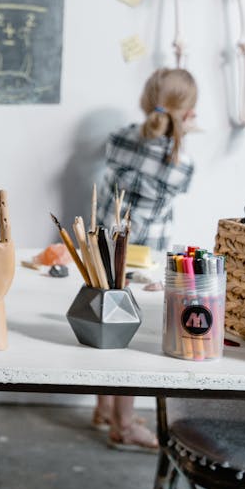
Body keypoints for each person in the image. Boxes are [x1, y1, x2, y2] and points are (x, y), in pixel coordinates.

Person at [93, 67, 197, 452]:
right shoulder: (181, 163)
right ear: (187, 114)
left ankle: (104, 408)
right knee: (130, 335)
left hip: (102, 249)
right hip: (142, 259)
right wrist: (180, 132)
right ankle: (124, 423)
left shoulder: (118, 138)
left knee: (105, 325)